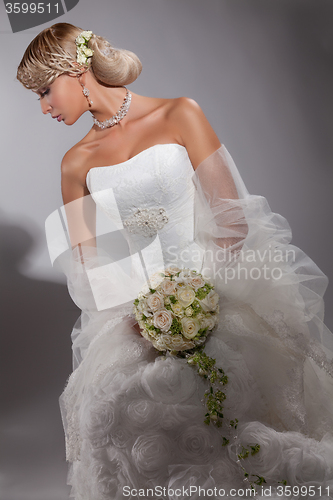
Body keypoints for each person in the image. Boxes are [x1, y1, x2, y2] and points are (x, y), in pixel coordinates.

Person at [17, 23, 333, 500]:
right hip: (137, 317)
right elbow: (90, 266)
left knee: (238, 406)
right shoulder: (75, 163)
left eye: (45, 91)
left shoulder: (180, 113)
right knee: (116, 415)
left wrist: (196, 300)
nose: (44, 107)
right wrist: (145, 316)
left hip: (217, 291)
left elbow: (232, 220)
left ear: (75, 69)